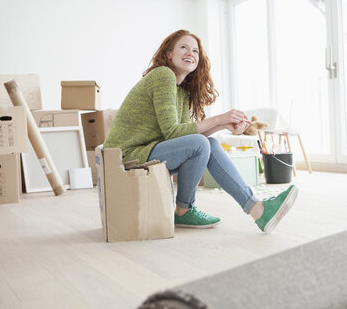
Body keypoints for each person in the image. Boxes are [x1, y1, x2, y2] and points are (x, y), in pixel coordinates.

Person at [104, 30, 298, 233]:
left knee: (210, 144)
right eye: (184, 47)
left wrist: (223, 126)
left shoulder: (181, 90)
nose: (191, 53)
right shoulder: (163, 75)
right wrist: (220, 118)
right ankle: (184, 211)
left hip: (145, 152)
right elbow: (173, 132)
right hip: (125, 157)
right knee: (200, 143)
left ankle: (257, 209)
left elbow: (186, 137)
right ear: (169, 53)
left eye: (195, 50)